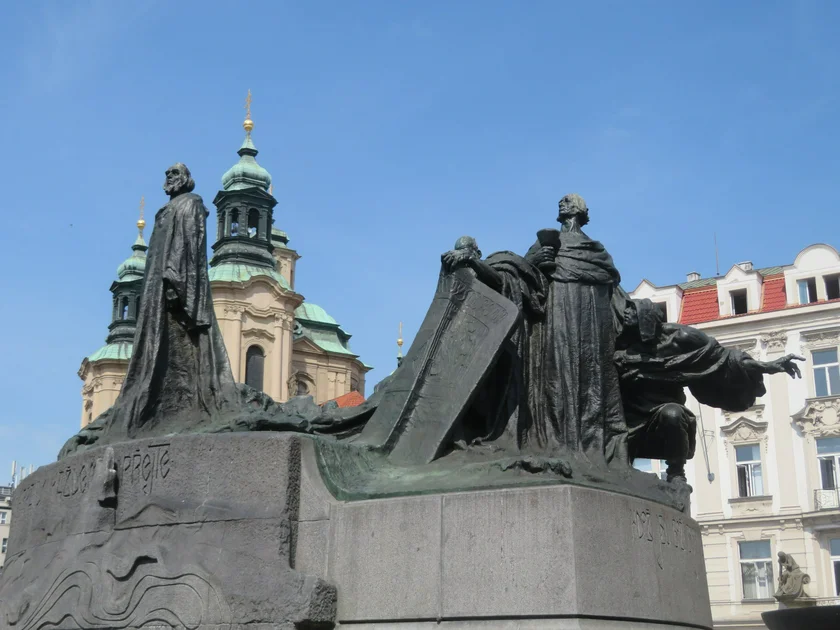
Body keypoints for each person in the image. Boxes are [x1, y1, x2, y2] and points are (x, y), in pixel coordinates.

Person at [104, 163, 237, 439]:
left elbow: (189, 244)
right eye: (167, 175)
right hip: (156, 289)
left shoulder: (191, 203)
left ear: (186, 179)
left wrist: (176, 281)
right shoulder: (166, 210)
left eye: (175, 174)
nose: (169, 179)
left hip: (173, 284)